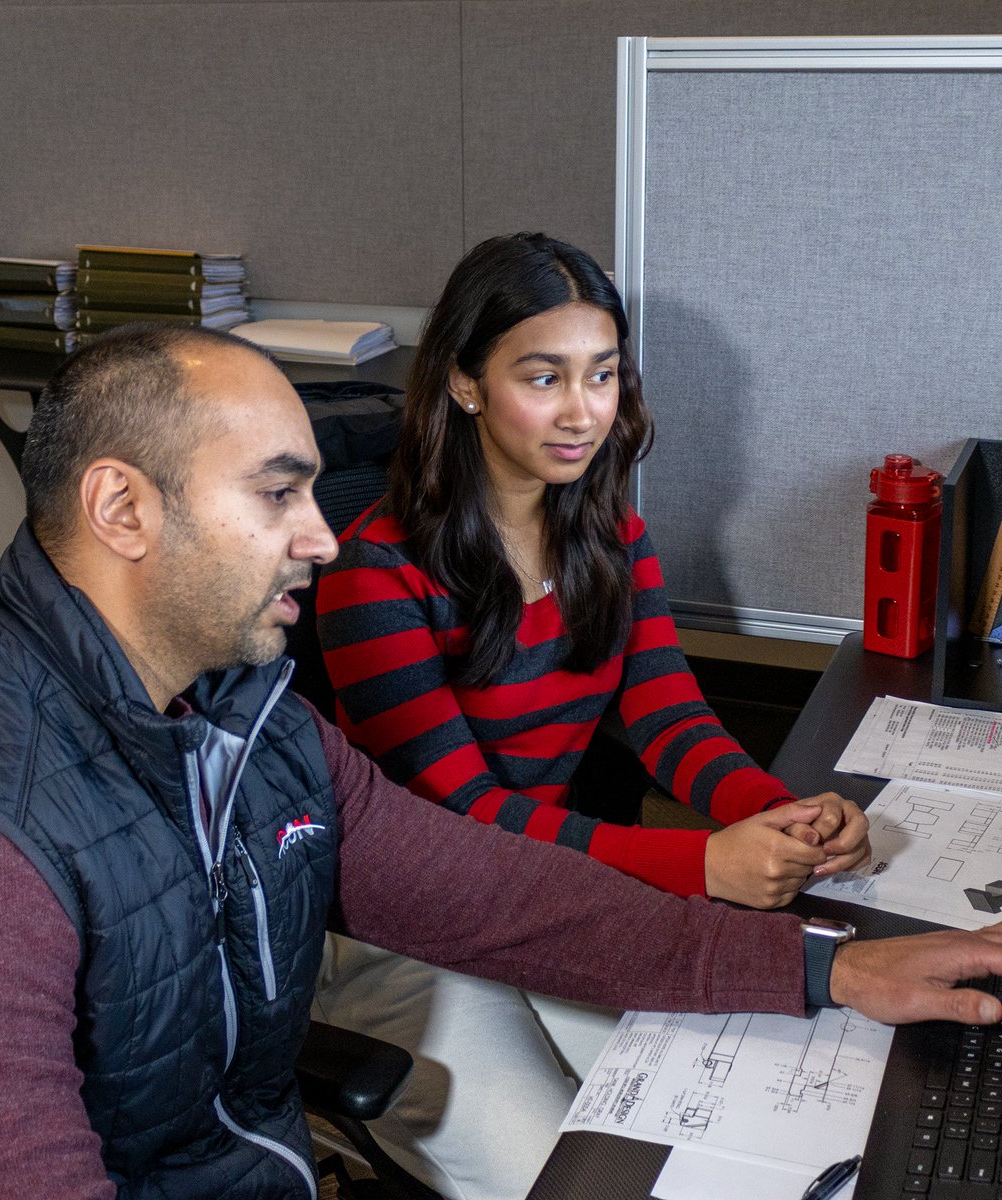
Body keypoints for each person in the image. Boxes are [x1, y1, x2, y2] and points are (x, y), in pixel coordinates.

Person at [0, 325, 998, 1200]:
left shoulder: (245, 712)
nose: (322, 538)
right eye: (279, 493)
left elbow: (490, 895)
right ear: (122, 509)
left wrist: (827, 969)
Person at [313, 232, 872, 1197]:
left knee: (714, 1104)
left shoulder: (609, 533)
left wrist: (777, 811)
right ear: (465, 384)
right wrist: (701, 864)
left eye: (602, 375)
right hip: (398, 926)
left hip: (544, 894)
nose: (583, 412)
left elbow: (668, 716)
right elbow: (463, 815)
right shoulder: (376, 571)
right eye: (544, 378)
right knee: (573, 1177)